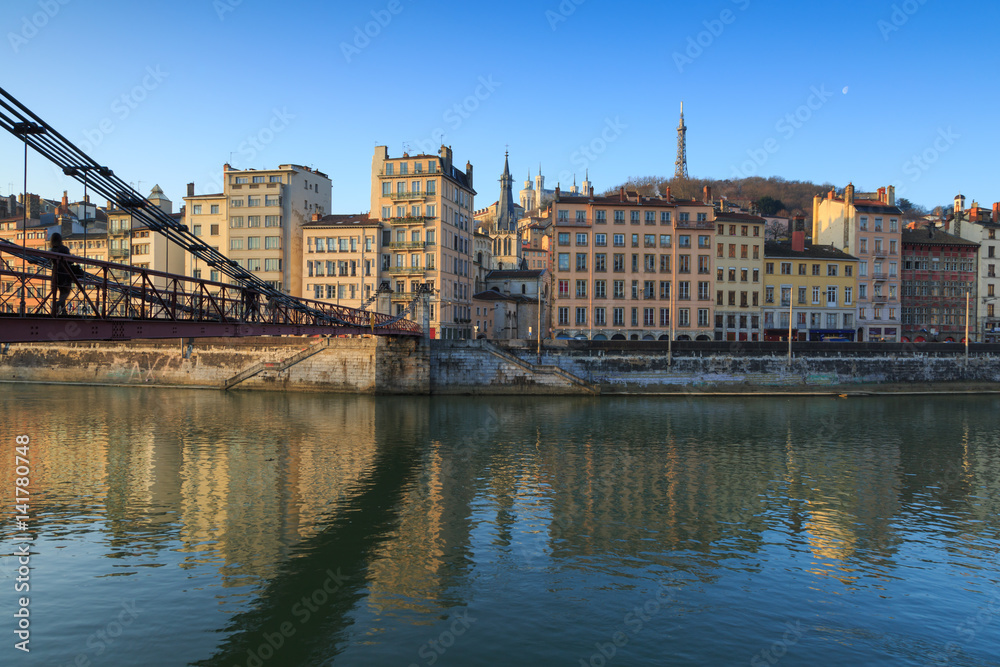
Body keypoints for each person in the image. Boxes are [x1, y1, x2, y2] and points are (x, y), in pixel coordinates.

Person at [49, 232, 73, 316]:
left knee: (59, 292)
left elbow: (48, 261)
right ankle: (59, 303)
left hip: (55, 275)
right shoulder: (64, 249)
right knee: (65, 292)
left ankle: (63, 311)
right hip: (65, 273)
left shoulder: (51, 250)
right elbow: (70, 260)